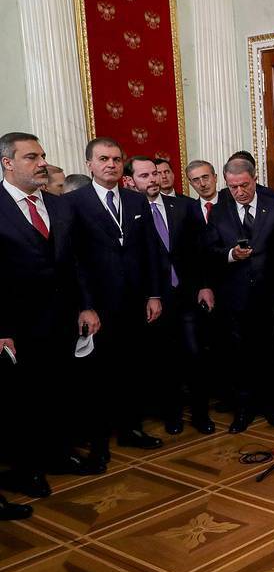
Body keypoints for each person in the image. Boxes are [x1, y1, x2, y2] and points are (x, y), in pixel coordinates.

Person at [0, 133, 101, 516]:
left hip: (61, 319)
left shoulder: (59, 206)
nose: (42, 163)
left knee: (59, 390)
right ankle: (26, 469)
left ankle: (59, 454)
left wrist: (86, 306)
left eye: (42, 156)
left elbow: (77, 262)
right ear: (8, 163)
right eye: (31, 157)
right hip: (16, 326)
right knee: (22, 400)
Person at [65, 137, 164, 464]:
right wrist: (85, 305)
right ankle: (98, 442)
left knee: (133, 370)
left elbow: (151, 250)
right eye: (104, 159)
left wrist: (153, 294)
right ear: (89, 164)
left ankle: (130, 429)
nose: (111, 164)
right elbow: (72, 260)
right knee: (98, 377)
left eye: (116, 159)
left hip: (135, 302)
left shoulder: (137, 201)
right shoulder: (72, 202)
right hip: (97, 306)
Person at [126, 157, 215, 435]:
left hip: (186, 295)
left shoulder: (183, 207)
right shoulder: (128, 212)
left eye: (154, 173)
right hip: (153, 299)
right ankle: (172, 415)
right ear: (130, 181)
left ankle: (201, 414)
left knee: (195, 355)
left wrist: (204, 285)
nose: (153, 179)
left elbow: (199, 251)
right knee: (165, 361)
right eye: (144, 176)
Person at [206, 157, 274, 432]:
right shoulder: (219, 211)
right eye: (233, 187)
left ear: (255, 179)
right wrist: (231, 254)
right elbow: (210, 250)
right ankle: (243, 410)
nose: (239, 192)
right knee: (240, 357)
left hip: (268, 294)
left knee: (269, 353)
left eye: (244, 185)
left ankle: (271, 406)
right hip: (235, 296)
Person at [185, 160, 220, 224]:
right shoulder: (188, 213)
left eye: (205, 177)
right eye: (196, 180)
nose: (202, 184)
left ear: (215, 178)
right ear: (191, 184)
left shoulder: (232, 202)